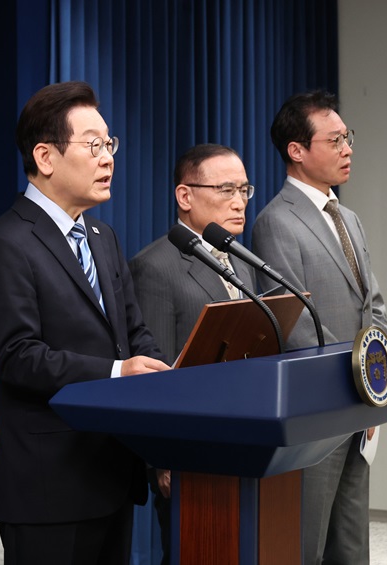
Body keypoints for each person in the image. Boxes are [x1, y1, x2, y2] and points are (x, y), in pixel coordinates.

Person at [0, 81, 169, 565]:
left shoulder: (102, 236)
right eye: (93, 145)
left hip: (112, 469)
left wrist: (165, 372)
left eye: (110, 144)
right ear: (45, 157)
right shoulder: (5, 243)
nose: (108, 159)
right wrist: (117, 372)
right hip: (48, 483)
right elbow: (18, 357)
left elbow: (132, 332)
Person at [252, 91, 387, 565]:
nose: (348, 149)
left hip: (359, 405)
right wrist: (351, 383)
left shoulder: (348, 217)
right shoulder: (275, 222)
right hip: (318, 410)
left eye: (348, 138)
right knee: (306, 545)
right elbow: (295, 325)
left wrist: (375, 380)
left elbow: (373, 304)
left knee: (352, 545)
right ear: (297, 150)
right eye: (335, 140)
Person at [129, 143, 257, 564]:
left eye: (244, 190)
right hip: (191, 450)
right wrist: (165, 458)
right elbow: (158, 370)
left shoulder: (242, 261)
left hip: (245, 438)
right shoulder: (156, 266)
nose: (239, 202)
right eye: (226, 190)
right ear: (185, 196)